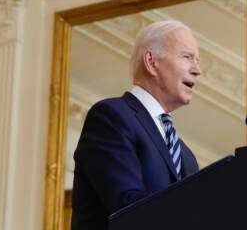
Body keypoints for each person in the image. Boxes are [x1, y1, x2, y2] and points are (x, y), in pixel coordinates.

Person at [71, 20, 202, 230]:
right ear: (151, 61)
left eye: (197, 60)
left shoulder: (186, 156)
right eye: (187, 57)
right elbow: (127, 206)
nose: (197, 70)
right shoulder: (111, 117)